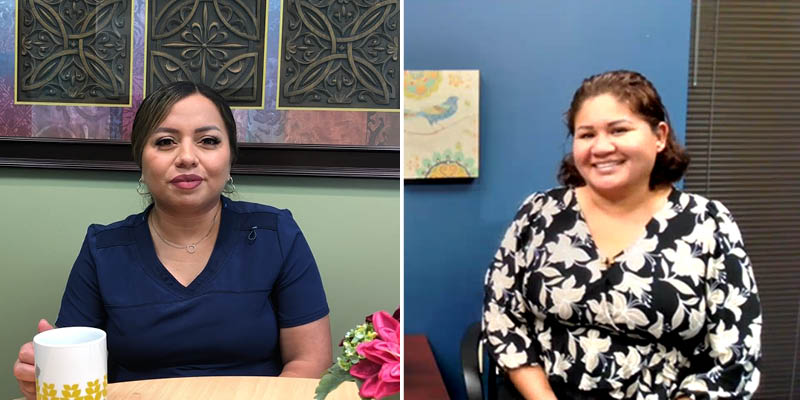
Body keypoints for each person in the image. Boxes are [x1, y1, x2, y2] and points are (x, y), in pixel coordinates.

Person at [13, 82, 332, 399]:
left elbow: (310, 362)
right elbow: (75, 366)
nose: (187, 157)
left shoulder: (276, 234)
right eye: (165, 142)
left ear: (230, 155)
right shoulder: (103, 249)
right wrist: (44, 374)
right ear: (140, 158)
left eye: (208, 140)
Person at [483, 70, 761, 399]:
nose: (601, 147)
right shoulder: (540, 213)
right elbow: (502, 316)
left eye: (619, 130)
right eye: (586, 135)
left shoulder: (709, 224)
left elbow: (734, 357)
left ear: (659, 136)